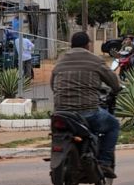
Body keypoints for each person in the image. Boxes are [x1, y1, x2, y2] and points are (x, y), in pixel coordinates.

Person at [51, 32, 123, 177]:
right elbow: (114, 82)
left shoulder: (60, 60)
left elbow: (53, 85)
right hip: (87, 112)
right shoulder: (95, 60)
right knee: (113, 125)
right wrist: (116, 89)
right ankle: (104, 162)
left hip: (61, 113)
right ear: (87, 45)